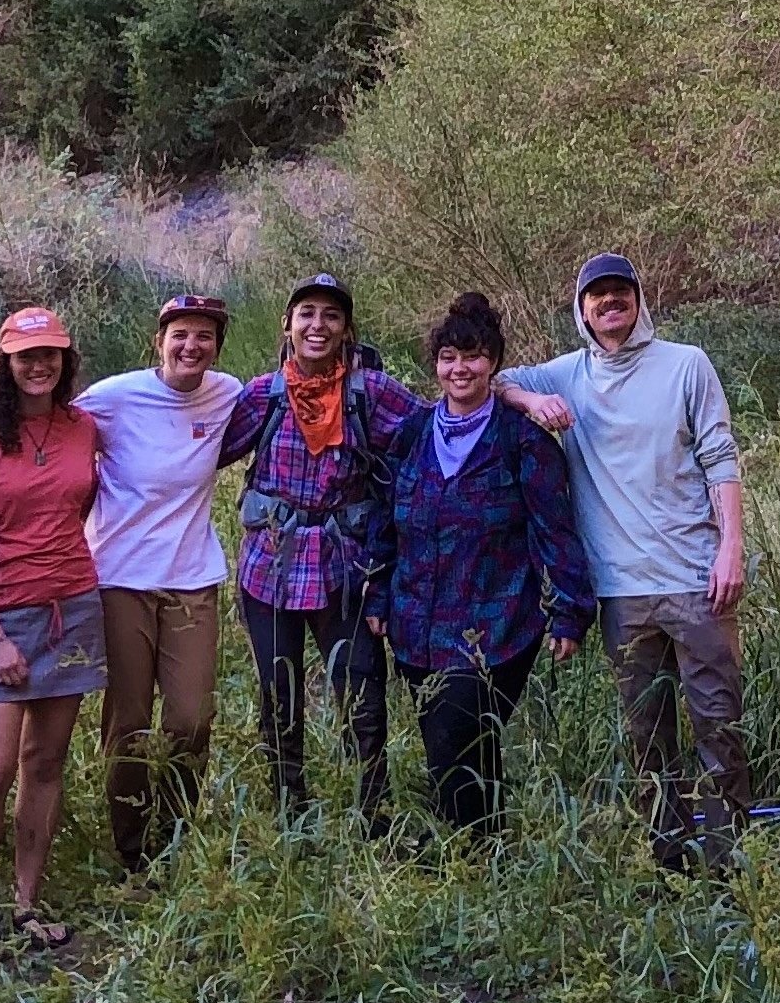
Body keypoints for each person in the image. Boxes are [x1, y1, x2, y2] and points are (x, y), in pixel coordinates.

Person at [218, 275, 569, 828]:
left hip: (344, 565)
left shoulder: (370, 392)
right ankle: (291, 807)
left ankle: (373, 809)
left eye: (331, 316)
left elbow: (451, 408)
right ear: (287, 325)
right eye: (306, 313)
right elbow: (203, 453)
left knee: (362, 693)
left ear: (347, 329)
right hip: (271, 565)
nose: (318, 325)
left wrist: (516, 394)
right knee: (278, 692)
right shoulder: (262, 394)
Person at [502, 253, 753, 872]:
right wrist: (534, 405)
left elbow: (720, 454)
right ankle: (669, 859)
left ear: (640, 300)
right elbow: (497, 379)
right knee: (648, 737)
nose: (609, 303)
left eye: (621, 292)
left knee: (718, 724)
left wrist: (731, 547)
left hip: (697, 580)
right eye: (597, 296)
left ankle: (729, 862)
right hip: (620, 593)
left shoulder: (685, 364)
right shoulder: (566, 375)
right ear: (581, 311)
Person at [363, 293, 594, 836]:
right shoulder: (413, 435)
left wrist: (568, 612)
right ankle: (485, 857)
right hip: (416, 623)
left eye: (472, 357)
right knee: (455, 746)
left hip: (496, 623)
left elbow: (554, 528)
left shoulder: (523, 440)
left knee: (458, 732)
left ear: (493, 363)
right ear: (435, 364)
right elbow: (384, 522)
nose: (459, 369)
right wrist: (377, 595)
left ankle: (463, 851)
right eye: (448, 357)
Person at [0, 306, 106, 946]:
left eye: (51, 354)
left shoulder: (84, 427)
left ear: (66, 361)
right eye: (26, 355)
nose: (40, 364)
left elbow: (80, 506)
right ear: (5, 363)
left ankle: (26, 903)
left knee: (45, 762)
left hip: (72, 608)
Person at [77, 293, 242, 870]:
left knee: (192, 718)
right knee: (128, 721)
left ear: (217, 348)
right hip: (121, 577)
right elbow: (46, 420)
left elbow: (295, 396)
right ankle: (130, 849)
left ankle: (173, 834)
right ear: (159, 340)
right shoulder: (114, 397)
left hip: (193, 578)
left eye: (204, 337)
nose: (191, 346)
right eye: (180, 335)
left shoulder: (227, 394)